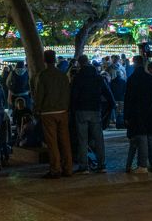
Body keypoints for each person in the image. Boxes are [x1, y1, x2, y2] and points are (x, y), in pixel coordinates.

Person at [31, 49, 72, 179]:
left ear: (44, 60)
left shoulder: (42, 76)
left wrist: (37, 108)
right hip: (62, 111)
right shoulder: (62, 75)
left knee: (52, 142)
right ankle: (68, 168)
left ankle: (55, 168)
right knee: (65, 140)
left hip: (48, 112)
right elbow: (67, 93)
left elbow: (39, 95)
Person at [69, 54, 113, 173]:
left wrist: (72, 110)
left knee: (82, 139)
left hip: (81, 110)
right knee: (98, 138)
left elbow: (73, 96)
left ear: (79, 63)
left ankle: (84, 166)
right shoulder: (97, 77)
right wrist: (110, 106)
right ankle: (101, 164)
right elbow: (108, 94)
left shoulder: (77, 78)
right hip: (95, 110)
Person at [124, 55, 152, 173]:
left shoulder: (132, 79)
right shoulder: (150, 79)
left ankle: (142, 165)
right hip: (150, 111)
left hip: (137, 113)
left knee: (142, 138)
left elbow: (128, 99)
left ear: (134, 64)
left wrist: (127, 116)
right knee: (151, 138)